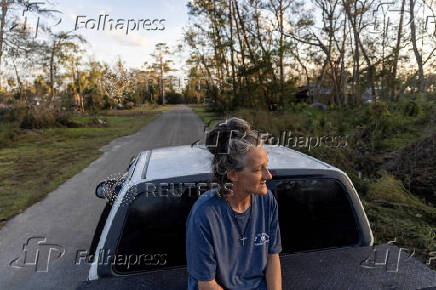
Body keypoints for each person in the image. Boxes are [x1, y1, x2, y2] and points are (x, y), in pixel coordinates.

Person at [186, 117, 282, 290]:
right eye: (258, 169)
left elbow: (272, 257)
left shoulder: (267, 201)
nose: (269, 176)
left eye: (266, 166)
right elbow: (206, 284)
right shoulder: (204, 214)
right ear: (232, 175)